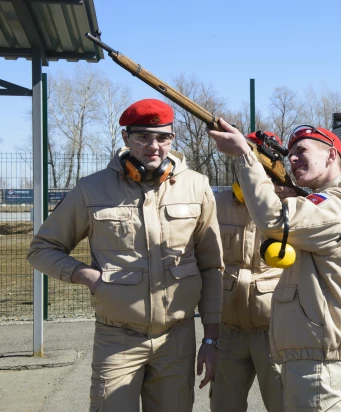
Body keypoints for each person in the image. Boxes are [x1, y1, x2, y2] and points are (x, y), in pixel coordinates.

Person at [27, 98, 224, 412]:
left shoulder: (197, 187)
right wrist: (84, 274)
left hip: (177, 339)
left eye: (163, 137)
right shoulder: (92, 190)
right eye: (143, 136)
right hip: (117, 339)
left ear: (173, 139)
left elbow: (212, 266)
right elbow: (41, 249)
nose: (154, 145)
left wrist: (211, 338)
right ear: (125, 138)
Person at [208, 120, 341, 411]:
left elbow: (273, 221)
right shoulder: (327, 201)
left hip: (317, 356)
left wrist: (245, 156)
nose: (292, 159)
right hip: (305, 349)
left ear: (331, 155)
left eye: (302, 150)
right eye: (289, 153)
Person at [209, 131, 285, 412]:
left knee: (283, 403)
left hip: (274, 331)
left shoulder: (289, 206)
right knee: (224, 405)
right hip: (228, 330)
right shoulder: (217, 205)